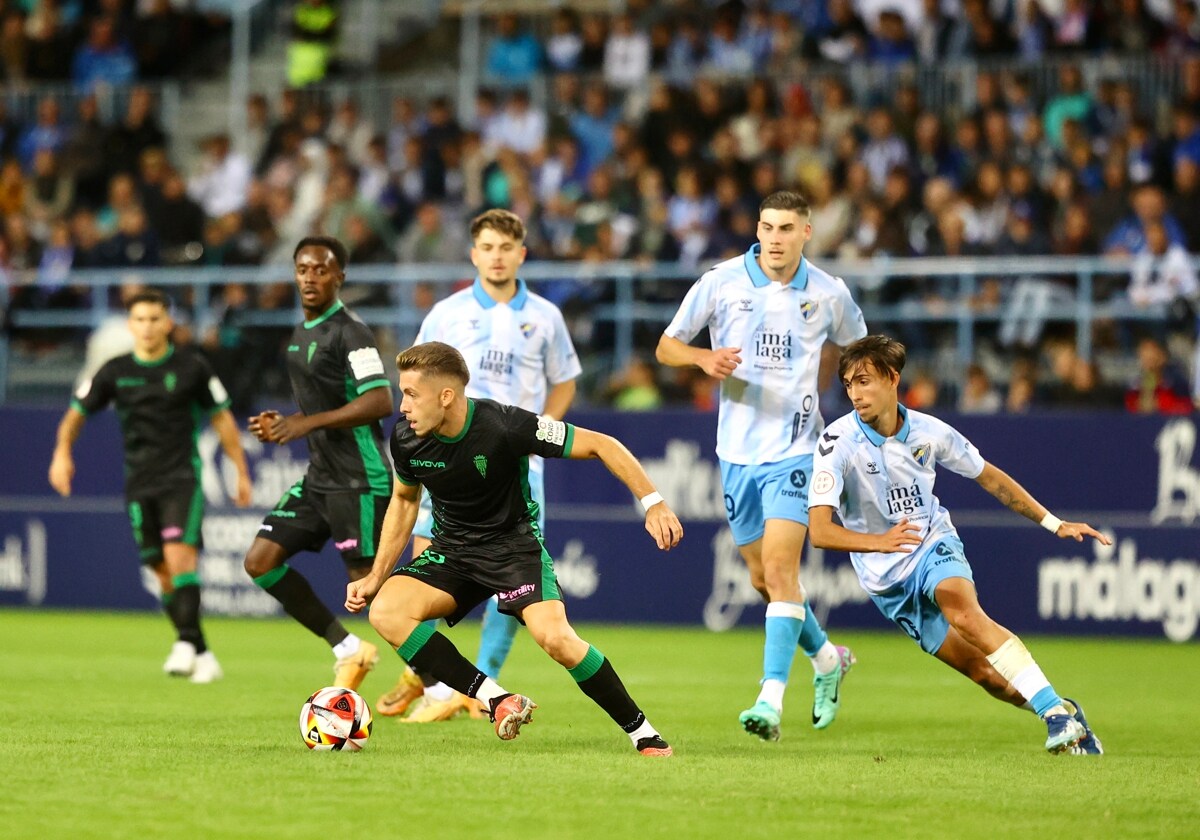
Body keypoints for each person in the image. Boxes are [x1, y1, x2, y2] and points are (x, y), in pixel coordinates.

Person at [345, 341, 682, 757]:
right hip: (454, 549)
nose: (403, 406)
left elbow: (602, 444)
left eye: (412, 394)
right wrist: (376, 576)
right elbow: (404, 501)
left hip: (513, 548)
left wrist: (653, 503)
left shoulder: (505, 426)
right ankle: (496, 699)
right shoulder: (407, 437)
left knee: (556, 639)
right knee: (386, 611)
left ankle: (642, 731)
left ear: (446, 396)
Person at [808, 334, 1106, 755]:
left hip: (932, 543)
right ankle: (1067, 711)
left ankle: (1053, 719)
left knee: (964, 612)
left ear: (893, 379)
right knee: (985, 676)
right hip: (887, 582)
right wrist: (879, 542)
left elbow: (991, 479)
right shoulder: (837, 445)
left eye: (865, 381)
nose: (856, 394)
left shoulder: (930, 432)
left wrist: (1053, 523)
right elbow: (819, 531)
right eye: (849, 385)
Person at [655, 190, 867, 741]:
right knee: (760, 579)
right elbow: (665, 346)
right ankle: (826, 659)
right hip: (737, 453)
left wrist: (857, 408)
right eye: (767, 228)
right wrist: (703, 358)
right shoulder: (721, 281)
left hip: (798, 449)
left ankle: (769, 701)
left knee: (780, 570)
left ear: (807, 233)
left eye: (787, 229)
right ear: (757, 229)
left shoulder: (828, 292)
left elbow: (861, 351)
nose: (775, 239)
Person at [376, 209, 582, 723]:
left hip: (514, 461)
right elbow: (418, 372)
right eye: (487, 247)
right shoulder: (446, 313)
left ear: (520, 254)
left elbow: (565, 380)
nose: (496, 256)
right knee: (425, 570)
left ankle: (471, 688)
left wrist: (544, 430)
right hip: (446, 459)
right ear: (474, 254)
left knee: (511, 582)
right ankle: (430, 682)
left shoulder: (546, 318)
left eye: (506, 247)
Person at [48, 289, 252, 683]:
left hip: (181, 480)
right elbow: (75, 414)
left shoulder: (192, 368)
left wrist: (240, 471)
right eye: (140, 319)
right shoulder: (114, 370)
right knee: (161, 572)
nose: (147, 327)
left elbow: (223, 420)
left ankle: (184, 645)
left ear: (168, 323)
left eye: (155, 319)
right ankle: (200, 649)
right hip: (139, 482)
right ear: (130, 325)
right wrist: (61, 454)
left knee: (180, 561)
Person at [243, 236, 393, 691]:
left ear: (339, 277)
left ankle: (439, 685)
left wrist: (306, 423)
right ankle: (348, 649)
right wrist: (281, 424)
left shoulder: (351, 331)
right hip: (320, 479)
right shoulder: (301, 331)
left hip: (360, 478)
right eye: (303, 269)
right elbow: (317, 403)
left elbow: (381, 399)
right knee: (260, 561)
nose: (311, 277)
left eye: (321, 270)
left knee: (373, 596)